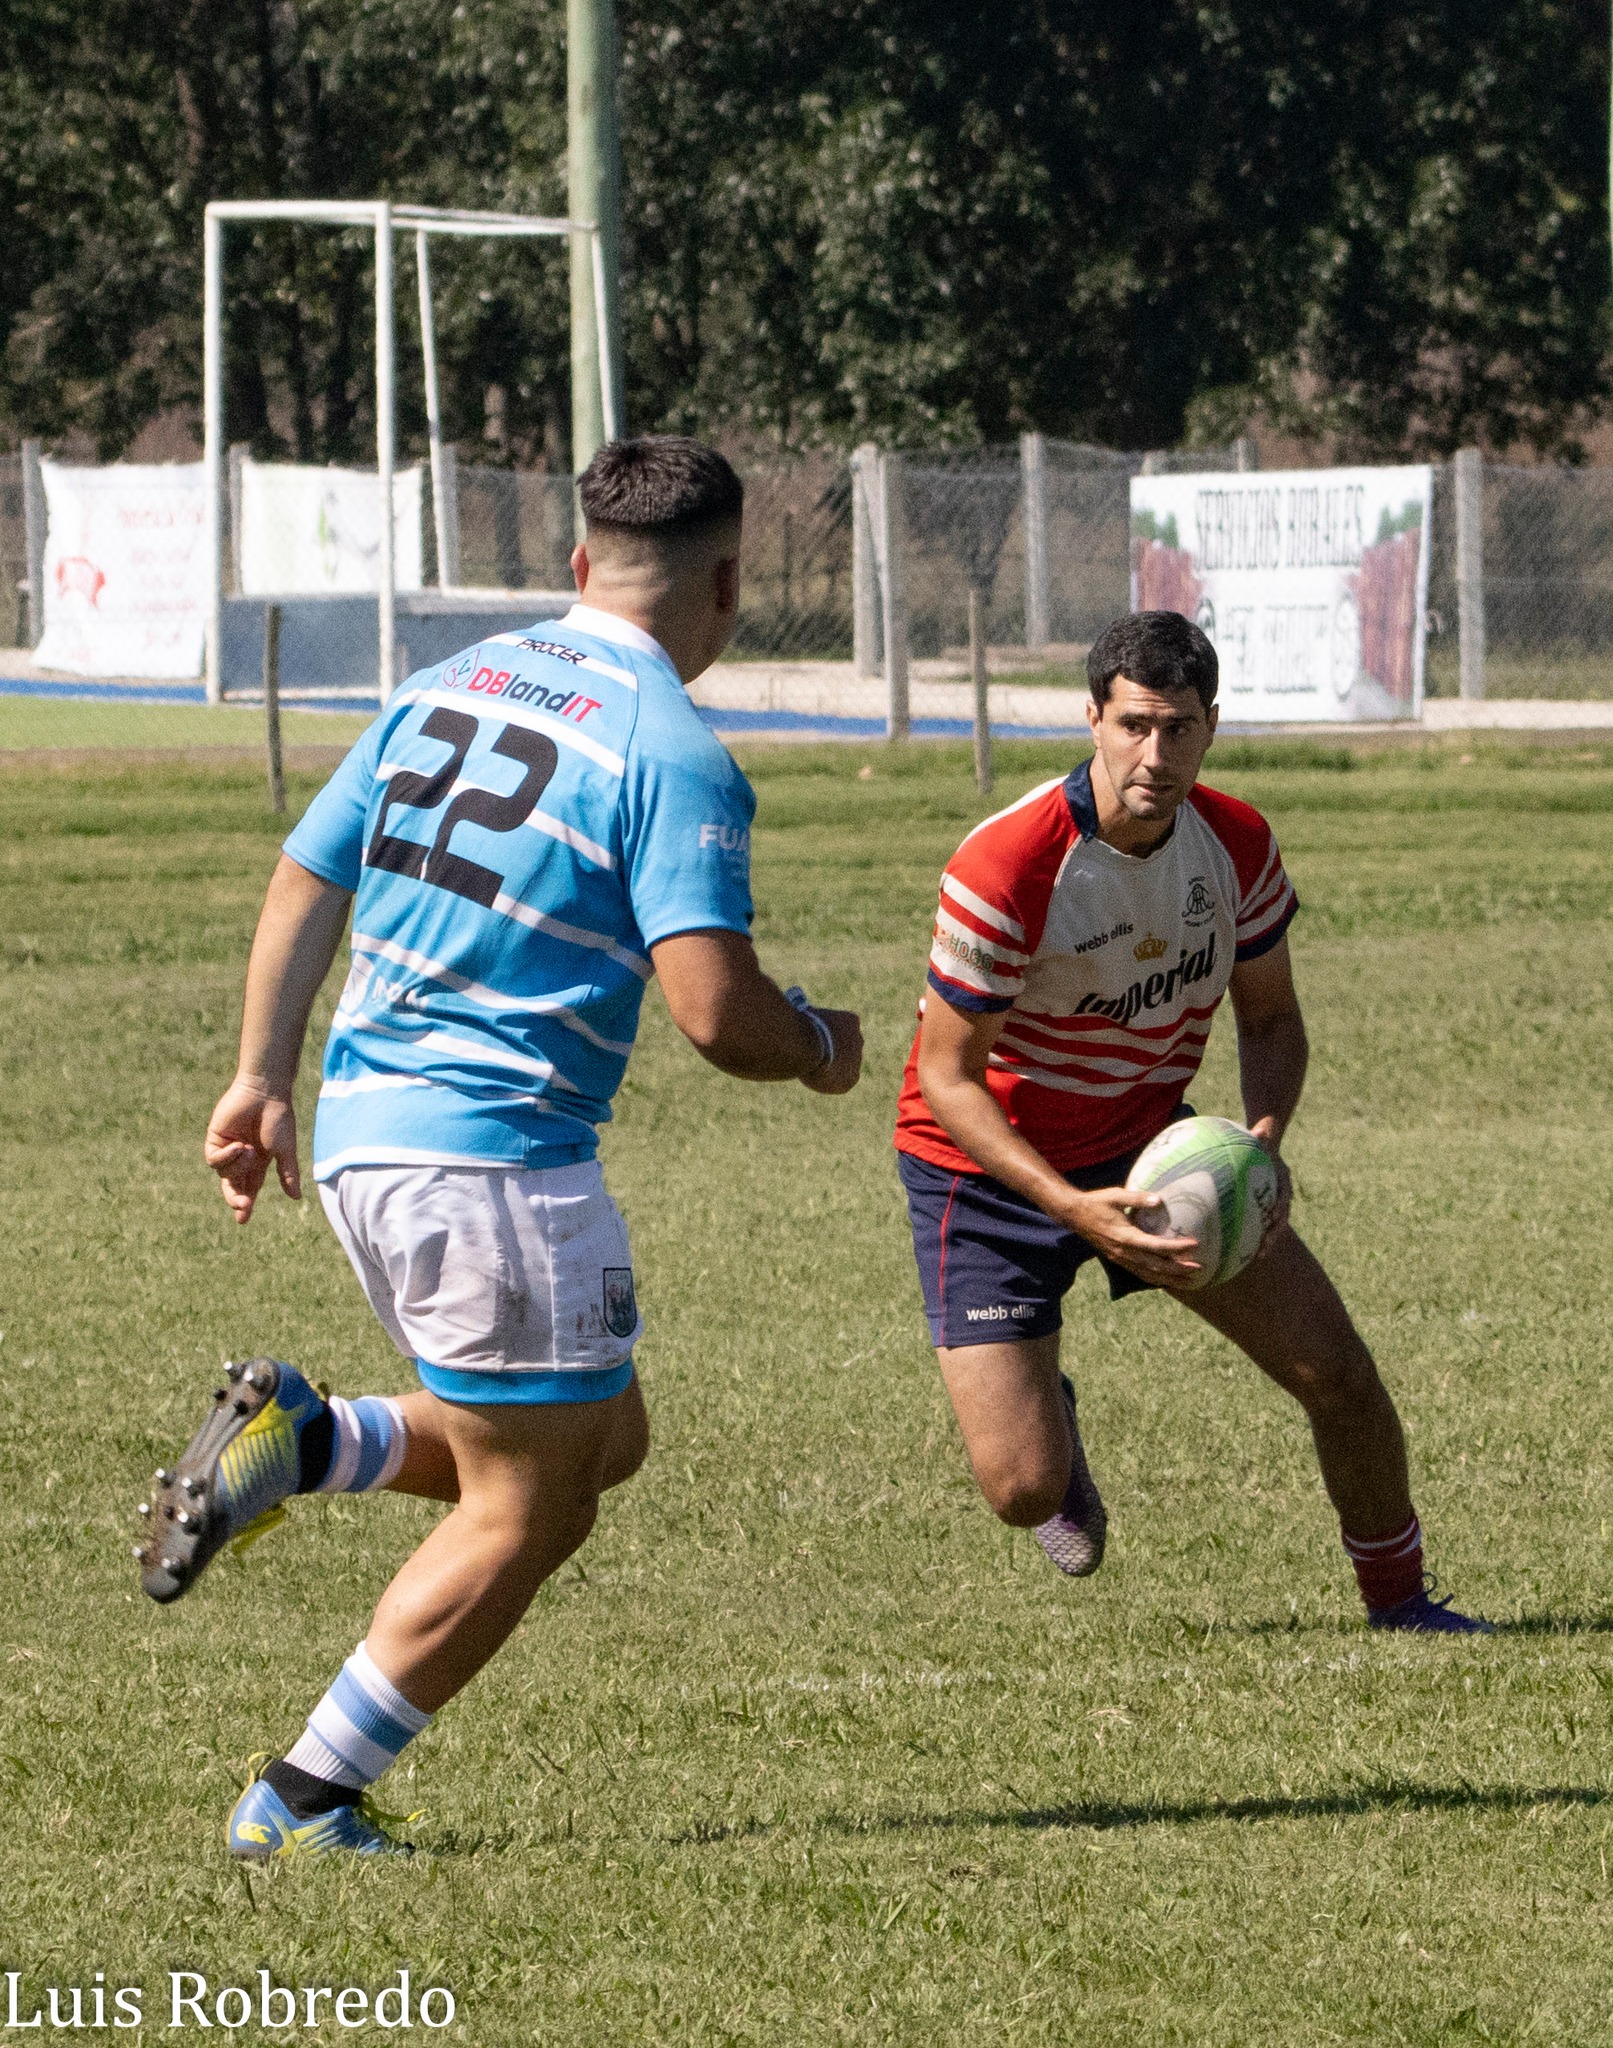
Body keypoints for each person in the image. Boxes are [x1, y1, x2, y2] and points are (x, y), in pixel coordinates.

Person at [134, 436, 863, 1858]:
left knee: (605, 1436)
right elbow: (716, 1012)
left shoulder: (444, 684)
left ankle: (307, 1442)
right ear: (727, 586)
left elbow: (307, 872)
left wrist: (255, 1076)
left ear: (580, 566)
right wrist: (825, 1045)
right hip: (496, 1162)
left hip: (363, 1133)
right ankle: (299, 1802)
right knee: (530, 1508)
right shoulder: (673, 750)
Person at [892, 609, 1488, 1633]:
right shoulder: (1011, 864)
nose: (1151, 754)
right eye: (1130, 725)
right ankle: (1056, 1439)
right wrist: (1073, 1208)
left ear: (1211, 725)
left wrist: (1259, 1140)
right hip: (982, 1172)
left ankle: (1400, 1605)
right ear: (1090, 718)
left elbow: (1272, 1016)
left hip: (1151, 1146)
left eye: (1176, 728)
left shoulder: (1237, 842)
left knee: (1335, 1371)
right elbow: (947, 1076)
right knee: (1023, 1491)